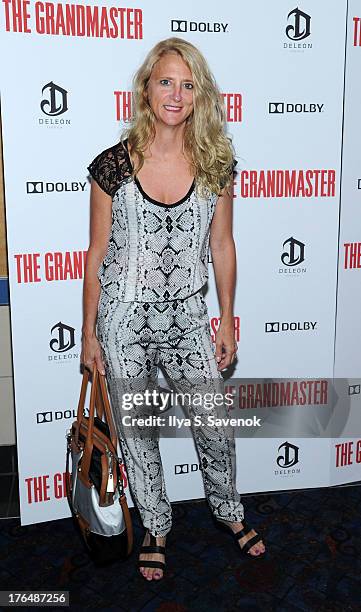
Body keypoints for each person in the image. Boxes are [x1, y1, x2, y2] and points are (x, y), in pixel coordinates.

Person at [81, 36, 266, 581]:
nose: (176, 94)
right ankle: (157, 524)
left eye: (188, 85)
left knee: (214, 424)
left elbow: (223, 244)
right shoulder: (112, 165)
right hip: (123, 319)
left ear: (200, 95)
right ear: (146, 88)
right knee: (138, 432)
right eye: (166, 81)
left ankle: (229, 512)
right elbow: (95, 253)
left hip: (188, 316)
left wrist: (227, 317)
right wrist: (91, 335)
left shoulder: (217, 164)